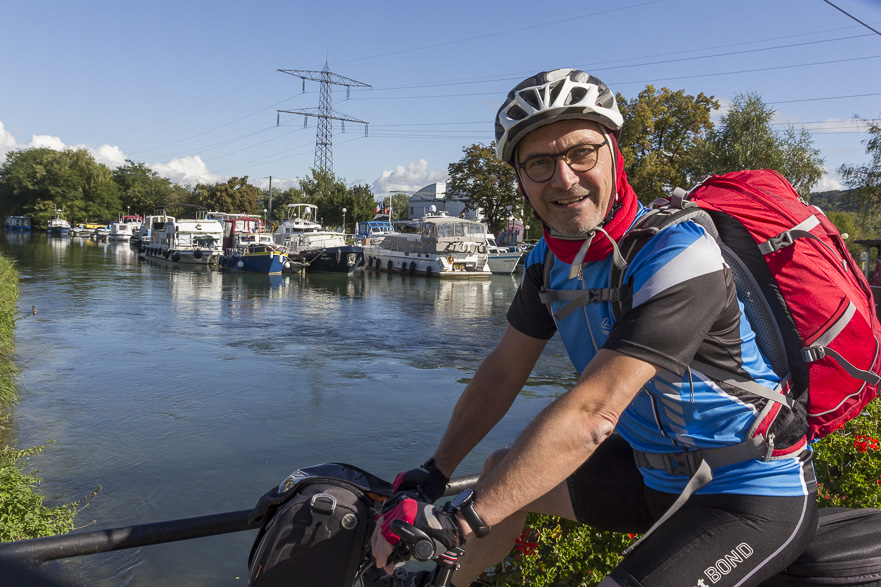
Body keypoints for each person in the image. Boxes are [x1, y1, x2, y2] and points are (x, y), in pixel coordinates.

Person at [367, 69, 818, 587]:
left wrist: (459, 520)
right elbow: (501, 374)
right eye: (539, 162)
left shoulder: (677, 254)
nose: (563, 179)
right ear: (520, 178)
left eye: (581, 153)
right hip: (649, 475)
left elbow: (594, 413)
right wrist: (434, 473)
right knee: (499, 469)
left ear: (614, 154)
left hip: (748, 488)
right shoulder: (546, 263)